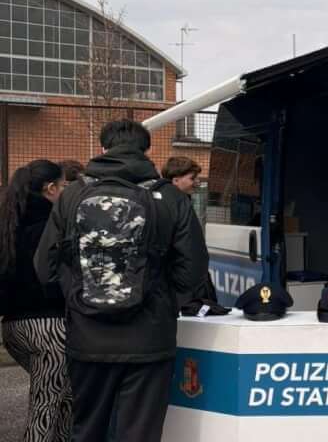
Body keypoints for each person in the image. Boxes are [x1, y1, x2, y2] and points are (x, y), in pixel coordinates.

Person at [35, 119, 208, 442]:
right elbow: (194, 269)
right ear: (146, 150)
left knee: (87, 430)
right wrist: (165, 301)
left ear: (103, 148)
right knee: (139, 433)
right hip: (150, 338)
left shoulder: (72, 195)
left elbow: (45, 266)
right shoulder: (170, 197)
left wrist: (76, 296)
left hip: (87, 338)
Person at [0, 160, 72, 442]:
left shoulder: (8, 224)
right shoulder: (52, 227)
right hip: (49, 328)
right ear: (50, 188)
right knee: (46, 407)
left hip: (14, 326)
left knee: (65, 397)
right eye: (64, 186)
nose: (66, 191)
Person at [161, 156, 217, 303]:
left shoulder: (162, 200)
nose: (196, 182)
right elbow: (190, 248)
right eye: (192, 178)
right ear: (176, 180)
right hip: (181, 288)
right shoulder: (177, 204)